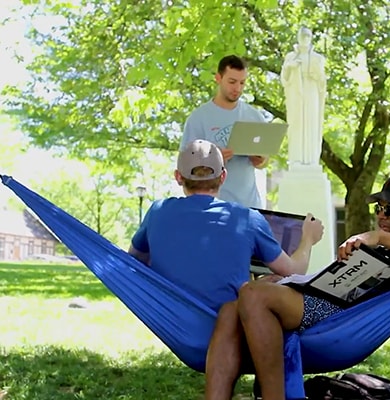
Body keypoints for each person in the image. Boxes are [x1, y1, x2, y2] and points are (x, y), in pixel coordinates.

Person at [205, 173, 390, 400]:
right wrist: (285, 283)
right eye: (379, 208)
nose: (381, 215)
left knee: (253, 293)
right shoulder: (379, 248)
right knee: (231, 308)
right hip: (318, 295)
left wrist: (379, 237)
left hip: (338, 315)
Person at [127, 139, 324, 399]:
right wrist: (308, 239)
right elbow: (295, 270)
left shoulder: (157, 212)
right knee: (270, 283)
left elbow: (134, 263)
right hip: (240, 328)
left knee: (260, 286)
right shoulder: (247, 219)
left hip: (181, 326)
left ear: (178, 177)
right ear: (223, 176)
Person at [180, 55, 267, 208]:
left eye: (242, 83)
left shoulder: (254, 116)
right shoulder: (199, 118)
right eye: (232, 82)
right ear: (218, 78)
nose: (237, 88)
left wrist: (260, 160)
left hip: (249, 207)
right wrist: (212, 158)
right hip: (212, 207)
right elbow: (185, 167)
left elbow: (264, 162)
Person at [281, 27, 326, 166]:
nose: (305, 38)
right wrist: (290, 67)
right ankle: (296, 159)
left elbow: (322, 82)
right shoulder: (290, 57)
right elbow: (284, 78)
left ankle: (311, 159)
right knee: (296, 124)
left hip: (311, 92)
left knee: (311, 123)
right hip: (295, 93)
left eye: (308, 36)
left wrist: (317, 75)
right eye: (303, 35)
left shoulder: (318, 58)